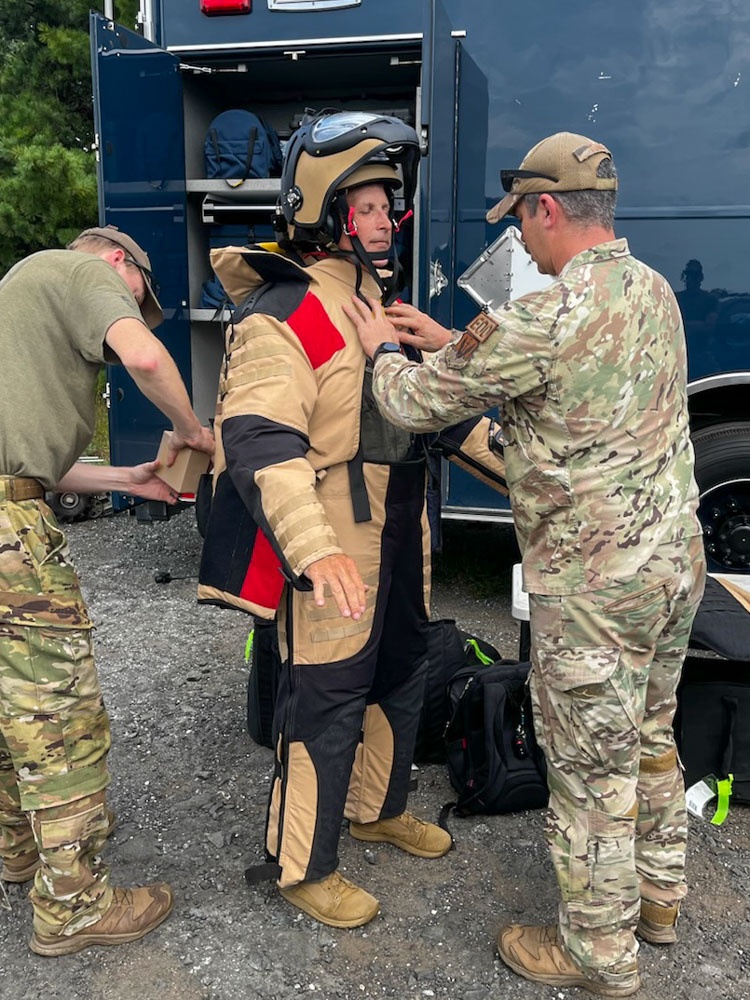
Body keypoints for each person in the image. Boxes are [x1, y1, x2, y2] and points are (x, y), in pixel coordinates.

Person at [345, 132, 706, 996]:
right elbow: (556, 378)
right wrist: (450, 335)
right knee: (651, 736)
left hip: (594, 590)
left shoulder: (543, 315)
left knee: (588, 769)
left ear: (548, 210)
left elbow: (409, 400)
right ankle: (659, 900)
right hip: (671, 570)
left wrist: (382, 351)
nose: (525, 243)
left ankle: (596, 955)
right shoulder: (652, 290)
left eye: (523, 222)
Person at [197, 111, 507, 929]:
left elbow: (438, 416)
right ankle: (303, 865)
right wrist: (311, 549)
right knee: (325, 698)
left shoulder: (383, 309)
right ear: (322, 208)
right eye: (364, 206)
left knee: (401, 675)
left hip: (404, 529)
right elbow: (258, 443)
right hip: (335, 536)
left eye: (386, 206)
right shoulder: (286, 308)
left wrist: (540, 477)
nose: (382, 221)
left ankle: (375, 807)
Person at [0, 225, 215, 956]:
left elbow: (34, 470)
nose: (132, 309)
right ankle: (74, 908)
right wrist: (190, 430)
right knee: (61, 718)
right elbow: (146, 355)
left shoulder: (21, 293)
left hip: (9, 500)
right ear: (122, 264)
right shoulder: (83, 272)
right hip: (10, 539)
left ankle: (18, 850)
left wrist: (127, 478)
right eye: (138, 298)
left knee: (11, 704)